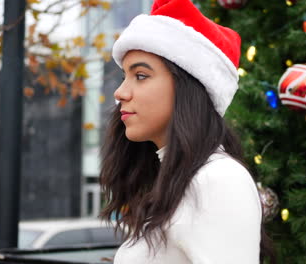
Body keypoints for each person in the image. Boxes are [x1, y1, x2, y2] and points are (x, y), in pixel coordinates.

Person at [99, 0, 275, 263]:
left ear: (188, 86)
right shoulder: (175, 180)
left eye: (141, 76)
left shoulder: (218, 180)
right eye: (124, 75)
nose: (120, 92)